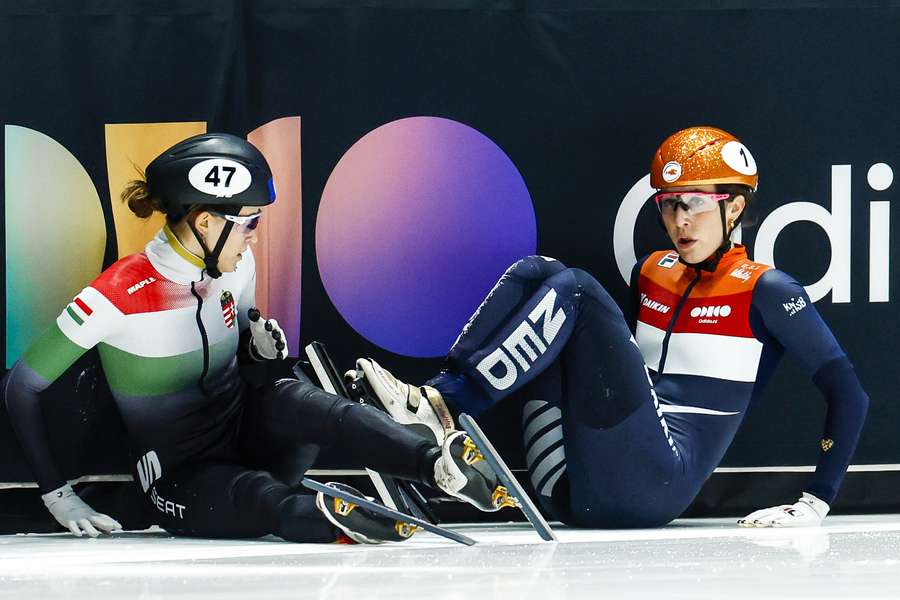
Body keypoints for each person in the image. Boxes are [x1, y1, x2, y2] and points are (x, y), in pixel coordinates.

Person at [350, 126, 869, 528]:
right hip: (568, 486)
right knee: (539, 271)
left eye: (693, 203)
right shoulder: (652, 271)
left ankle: (443, 409)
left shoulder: (768, 289)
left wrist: (815, 502)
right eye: (668, 205)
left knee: (575, 287)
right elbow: (606, 377)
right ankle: (438, 415)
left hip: (652, 487)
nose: (678, 221)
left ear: (733, 206)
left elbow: (849, 395)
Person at [2, 133, 509, 542]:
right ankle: (327, 519)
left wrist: (258, 355)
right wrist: (57, 494)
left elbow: (252, 375)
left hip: (248, 435)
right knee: (261, 498)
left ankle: (438, 467)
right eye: (250, 223)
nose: (255, 236)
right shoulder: (116, 296)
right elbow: (20, 386)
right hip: (181, 477)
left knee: (296, 395)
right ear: (205, 222)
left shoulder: (236, 266)